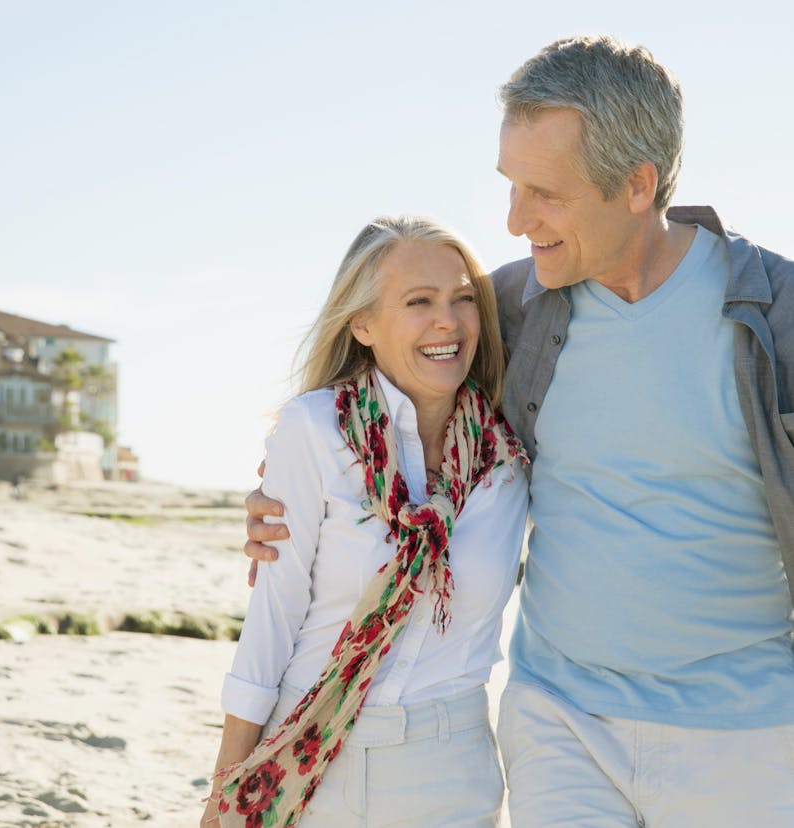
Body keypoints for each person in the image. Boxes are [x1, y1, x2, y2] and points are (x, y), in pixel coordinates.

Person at [244, 35, 794, 827]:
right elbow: (370, 402)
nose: (513, 221)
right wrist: (271, 492)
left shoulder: (775, 312)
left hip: (748, 733)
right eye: (510, 185)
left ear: (638, 185)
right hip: (560, 722)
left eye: (546, 194)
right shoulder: (506, 312)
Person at [201, 215, 529, 828]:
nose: (448, 322)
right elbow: (273, 622)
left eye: (464, 300)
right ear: (363, 324)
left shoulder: (509, 455)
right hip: (307, 751)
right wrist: (226, 789)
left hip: (450, 768)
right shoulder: (314, 430)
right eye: (418, 302)